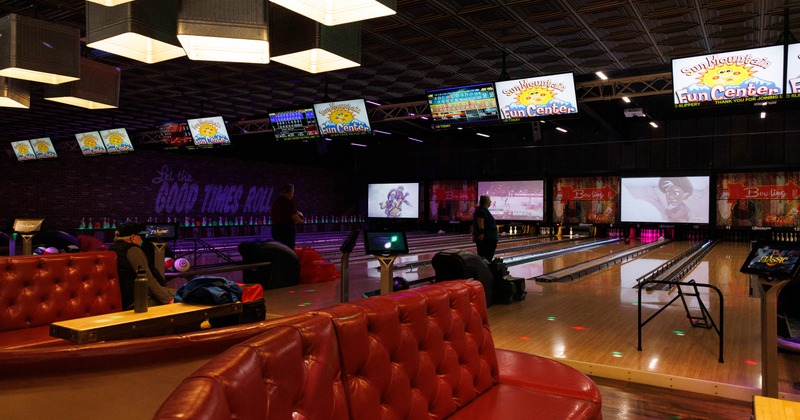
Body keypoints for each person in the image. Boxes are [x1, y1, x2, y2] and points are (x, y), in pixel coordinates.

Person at [108, 222, 174, 310]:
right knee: (182, 296)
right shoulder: (133, 250)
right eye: (141, 237)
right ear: (133, 237)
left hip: (123, 300)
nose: (142, 240)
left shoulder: (111, 249)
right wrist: (167, 299)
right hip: (138, 301)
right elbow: (147, 279)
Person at [271, 183, 304, 249]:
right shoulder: (288, 202)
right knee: (288, 249)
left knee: (279, 249)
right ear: (290, 192)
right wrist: (301, 221)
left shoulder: (276, 201)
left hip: (275, 229)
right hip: (286, 230)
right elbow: (295, 217)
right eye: (293, 192)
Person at [473, 195, 499, 261]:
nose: (490, 202)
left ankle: (484, 269)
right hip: (487, 238)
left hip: (488, 238)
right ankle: (484, 270)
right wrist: (482, 232)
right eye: (490, 200)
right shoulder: (481, 210)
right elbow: (480, 219)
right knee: (485, 258)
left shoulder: (482, 210)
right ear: (487, 202)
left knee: (485, 258)